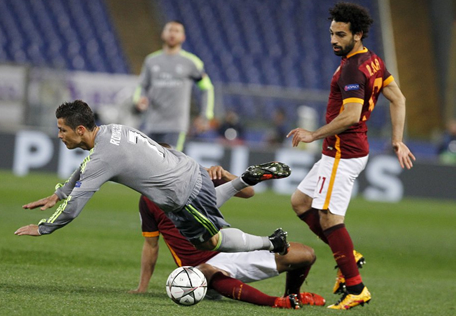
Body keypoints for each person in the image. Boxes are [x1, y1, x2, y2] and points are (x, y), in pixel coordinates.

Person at [15, 100, 292, 258]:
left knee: (209, 242)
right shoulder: (113, 130)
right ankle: (242, 180)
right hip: (191, 169)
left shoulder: (104, 157)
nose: (60, 135)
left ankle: (273, 242)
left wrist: (44, 228)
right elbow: (86, 167)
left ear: (80, 129)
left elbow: (76, 204)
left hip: (183, 195)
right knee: (204, 218)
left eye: (63, 130)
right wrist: (59, 193)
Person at [287, 2, 416, 310]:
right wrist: (397, 140)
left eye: (341, 34)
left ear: (357, 34)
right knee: (301, 203)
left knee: (329, 217)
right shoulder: (371, 60)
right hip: (344, 151)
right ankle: (348, 253)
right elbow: (398, 98)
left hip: (342, 153)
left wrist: (313, 134)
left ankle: (356, 288)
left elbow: (351, 115)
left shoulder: (352, 69)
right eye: (332, 33)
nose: (334, 39)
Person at [132, 165, 325, 309]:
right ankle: (275, 302)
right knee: (207, 270)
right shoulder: (148, 199)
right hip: (196, 269)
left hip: (228, 245)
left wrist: (224, 175)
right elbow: (151, 245)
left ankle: (293, 295)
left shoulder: (197, 178)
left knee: (306, 254)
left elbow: (249, 192)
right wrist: (142, 286)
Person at [132, 20, 214, 151]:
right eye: (170, 30)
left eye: (177, 31)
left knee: (170, 165)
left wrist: (205, 115)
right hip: (152, 123)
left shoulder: (191, 62)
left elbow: (207, 88)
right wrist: (140, 99)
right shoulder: (151, 61)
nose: (173, 34)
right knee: (147, 165)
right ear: (163, 34)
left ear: (183, 37)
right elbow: (142, 86)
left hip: (176, 126)